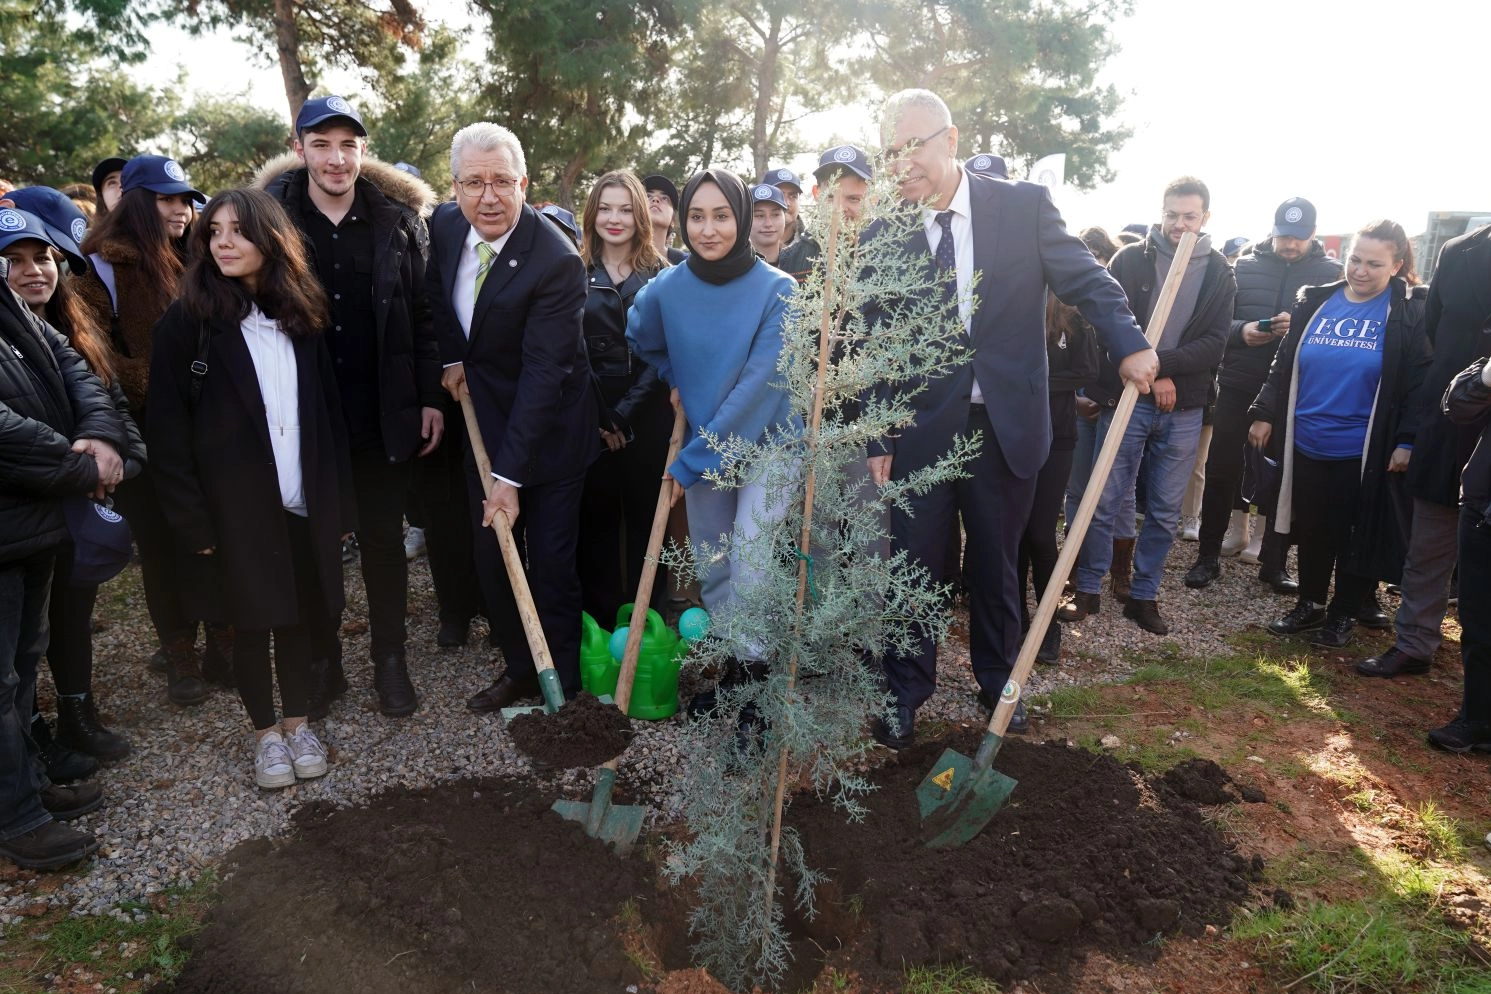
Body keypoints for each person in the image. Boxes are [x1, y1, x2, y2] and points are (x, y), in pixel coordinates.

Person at [866, 89, 1157, 750]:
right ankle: (903, 692)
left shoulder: (1022, 208)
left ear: (950, 138)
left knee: (996, 564)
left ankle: (1001, 682)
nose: (902, 163)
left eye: (913, 145)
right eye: (890, 152)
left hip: (1003, 426)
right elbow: (871, 340)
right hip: (921, 431)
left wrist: (1130, 343)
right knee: (914, 565)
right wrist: (876, 433)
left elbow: (1088, 281)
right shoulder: (885, 230)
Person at [148, 188, 354, 789]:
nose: (225, 242)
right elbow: (167, 433)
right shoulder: (187, 324)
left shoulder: (302, 313)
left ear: (272, 238)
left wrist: (335, 501)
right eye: (214, 232)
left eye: (239, 230)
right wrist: (191, 521)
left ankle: (298, 723)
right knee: (250, 620)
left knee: (299, 617)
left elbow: (327, 414)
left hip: (301, 497)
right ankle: (265, 734)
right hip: (234, 509)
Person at [257, 95, 444, 719]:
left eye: (348, 145)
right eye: (322, 143)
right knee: (311, 541)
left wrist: (424, 398)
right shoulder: (272, 220)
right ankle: (323, 659)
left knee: (384, 542)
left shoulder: (398, 222)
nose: (336, 159)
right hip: (304, 416)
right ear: (300, 145)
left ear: (363, 150)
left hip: (379, 411)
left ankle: (390, 657)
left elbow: (422, 317)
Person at [428, 122, 599, 712]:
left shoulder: (555, 262)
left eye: (502, 180)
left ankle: (566, 681)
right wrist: (453, 356)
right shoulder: (447, 229)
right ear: (455, 189)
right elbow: (436, 297)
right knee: (493, 554)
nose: (489, 196)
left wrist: (510, 477)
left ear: (524, 183)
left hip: (549, 434)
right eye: (474, 183)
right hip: (486, 419)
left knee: (550, 561)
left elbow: (545, 376)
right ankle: (521, 669)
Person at [627, 168, 796, 698]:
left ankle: (756, 687)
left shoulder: (778, 290)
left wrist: (688, 462)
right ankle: (737, 667)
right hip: (706, 445)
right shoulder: (669, 288)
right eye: (696, 216)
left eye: (721, 216)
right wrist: (675, 377)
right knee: (715, 560)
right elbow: (641, 335)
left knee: (752, 556)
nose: (708, 229)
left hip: (770, 441)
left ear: (741, 219)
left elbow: (759, 388)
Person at [74, 155, 225, 705]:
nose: (180, 209)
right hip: (142, 431)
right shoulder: (97, 269)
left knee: (218, 536)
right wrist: (156, 384)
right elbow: (87, 357)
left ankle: (222, 646)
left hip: (211, 427)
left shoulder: (209, 253)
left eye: (184, 198)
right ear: (137, 201)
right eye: (166, 198)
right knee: (162, 550)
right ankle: (181, 657)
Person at [0, 228, 127, 870]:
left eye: (38, 257)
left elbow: (76, 370)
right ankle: (15, 819)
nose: (29, 270)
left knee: (22, 662)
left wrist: (101, 439)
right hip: (18, 509)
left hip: (29, 523)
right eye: (13, 258)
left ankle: (24, 790)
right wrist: (80, 467)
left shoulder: (9, 308)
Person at [1250, 221, 1431, 649]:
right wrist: (1263, 411)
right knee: (1313, 529)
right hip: (1307, 441)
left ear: (1397, 266)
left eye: (1374, 263)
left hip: (1365, 449)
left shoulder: (1407, 312)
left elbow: (1418, 386)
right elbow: (1284, 361)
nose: (1360, 270)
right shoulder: (1316, 300)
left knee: (1356, 534)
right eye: (1354, 259)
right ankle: (1310, 604)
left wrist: (1407, 441)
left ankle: (1343, 613)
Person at [1184, 198, 1340, 593]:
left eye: (1298, 238)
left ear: (1313, 235)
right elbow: (1217, 319)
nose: (1290, 244)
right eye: (1284, 236)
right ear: (1272, 230)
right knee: (1222, 470)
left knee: (1286, 475)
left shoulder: (1331, 275)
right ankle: (1207, 556)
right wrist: (1243, 331)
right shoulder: (1243, 267)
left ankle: (1274, 561)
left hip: (1297, 389)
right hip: (1240, 380)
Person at [1356, 223, 1491, 679]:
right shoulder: (1459, 251)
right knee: (1430, 541)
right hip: (1451, 418)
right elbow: (1435, 328)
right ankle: (1414, 642)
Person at [575, 170, 671, 625]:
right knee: (595, 521)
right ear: (593, 213)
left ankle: (646, 623)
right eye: (606, 208)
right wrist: (602, 418)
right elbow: (569, 351)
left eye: (625, 209)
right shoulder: (572, 271)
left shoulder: (665, 276)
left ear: (640, 214)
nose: (615, 219)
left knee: (647, 522)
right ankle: (599, 621)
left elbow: (664, 354)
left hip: (647, 417)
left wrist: (624, 417)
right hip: (589, 414)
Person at [1430, 358, 1491, 751]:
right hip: (1483, 508)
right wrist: (1486, 377)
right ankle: (1477, 720)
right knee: (1479, 621)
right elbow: (1456, 405)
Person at [777, 144, 874, 283]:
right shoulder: (789, 259)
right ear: (816, 194)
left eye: (853, 199)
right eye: (830, 197)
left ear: (872, 199)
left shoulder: (889, 255)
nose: (839, 208)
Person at [642, 175, 687, 265]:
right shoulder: (613, 256)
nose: (655, 199)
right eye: (647, 196)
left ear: (673, 220)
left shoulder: (685, 263)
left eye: (664, 198)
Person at [760, 166, 805, 247]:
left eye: (793, 196)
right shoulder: (744, 244)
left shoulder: (812, 243)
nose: (786, 203)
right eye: (779, 195)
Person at [747, 183, 789, 267]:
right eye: (759, 216)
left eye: (775, 215)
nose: (768, 224)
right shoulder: (735, 267)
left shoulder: (801, 261)